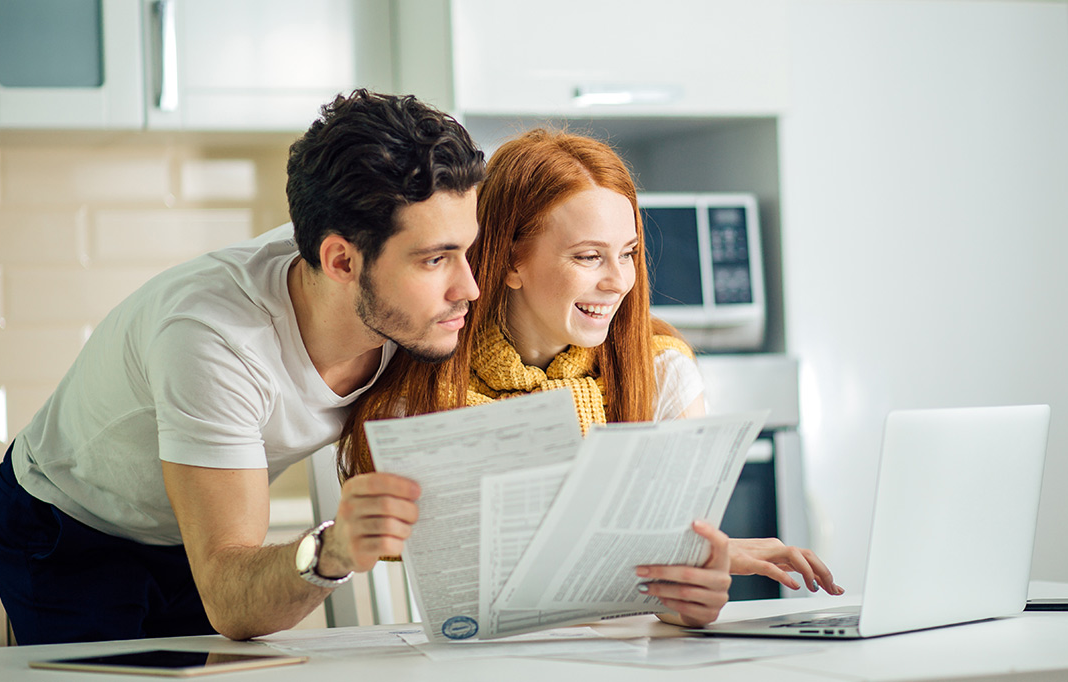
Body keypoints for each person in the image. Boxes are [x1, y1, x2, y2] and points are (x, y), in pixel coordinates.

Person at [0, 90, 483, 645]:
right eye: (436, 259)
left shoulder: (407, 306)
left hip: (195, 533)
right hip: (70, 526)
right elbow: (230, 599)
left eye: (466, 250)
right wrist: (333, 547)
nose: (469, 287)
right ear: (340, 260)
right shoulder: (214, 339)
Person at [338, 129, 842, 628]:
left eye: (627, 253)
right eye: (588, 256)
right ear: (511, 260)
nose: (620, 280)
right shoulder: (421, 392)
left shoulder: (662, 371)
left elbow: (670, 585)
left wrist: (693, 599)